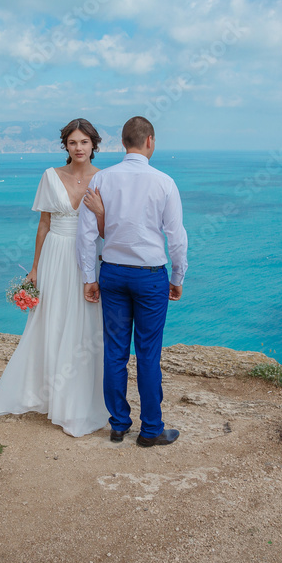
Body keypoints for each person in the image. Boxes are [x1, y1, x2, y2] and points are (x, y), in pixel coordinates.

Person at [0, 119, 110, 437]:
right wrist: (35, 267)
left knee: (84, 326)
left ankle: (76, 402)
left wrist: (99, 212)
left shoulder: (106, 179)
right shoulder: (50, 176)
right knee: (50, 322)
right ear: (65, 146)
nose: (79, 148)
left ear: (93, 145)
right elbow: (43, 224)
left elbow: (109, 230)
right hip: (55, 254)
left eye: (84, 142)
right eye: (73, 142)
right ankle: (45, 395)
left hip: (86, 258)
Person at [76, 116, 188, 447]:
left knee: (115, 352)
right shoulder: (165, 182)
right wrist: (178, 276)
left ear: (123, 143)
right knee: (149, 353)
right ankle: (151, 429)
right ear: (150, 141)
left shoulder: (102, 180)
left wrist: (88, 278)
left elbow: (86, 236)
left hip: (112, 273)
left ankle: (119, 424)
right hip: (151, 277)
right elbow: (176, 238)